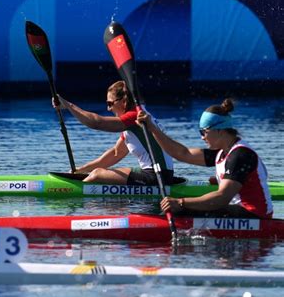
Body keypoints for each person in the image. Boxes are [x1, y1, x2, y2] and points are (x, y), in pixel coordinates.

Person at [137, 98, 273, 218]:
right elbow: (182, 153)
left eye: (204, 132)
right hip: (238, 211)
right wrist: (152, 128)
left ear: (219, 130)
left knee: (181, 209)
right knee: (184, 207)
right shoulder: (222, 152)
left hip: (255, 216)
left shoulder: (240, 155)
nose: (202, 137)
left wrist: (180, 202)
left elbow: (222, 198)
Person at [53, 80, 174, 185]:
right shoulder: (139, 117)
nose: (108, 108)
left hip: (157, 176)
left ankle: (74, 191)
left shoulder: (135, 117)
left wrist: (68, 105)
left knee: (97, 174)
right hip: (160, 174)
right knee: (99, 172)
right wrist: (80, 170)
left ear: (123, 101)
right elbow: (116, 153)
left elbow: (97, 123)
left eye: (110, 103)